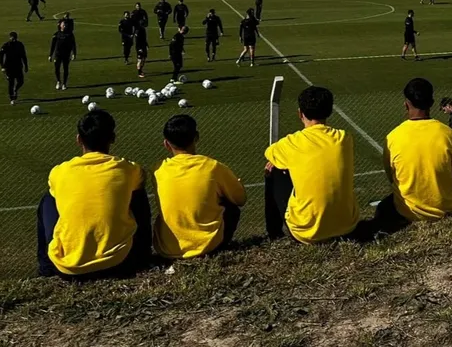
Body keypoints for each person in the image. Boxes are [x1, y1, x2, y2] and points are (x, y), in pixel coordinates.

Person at [37, 110, 152, 279]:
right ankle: (144, 253)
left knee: (48, 200)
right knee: (136, 192)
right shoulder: (130, 169)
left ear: (78, 139)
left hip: (69, 269)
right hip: (120, 263)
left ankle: (46, 269)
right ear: (113, 138)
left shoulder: (59, 172)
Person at [374, 78, 452, 231]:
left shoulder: (393, 137)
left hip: (407, 211)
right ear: (432, 103)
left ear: (406, 104)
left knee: (382, 209)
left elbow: (392, 177)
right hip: (445, 209)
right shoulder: (448, 135)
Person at [263, 86, 360, 243]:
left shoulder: (292, 142)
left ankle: (274, 233)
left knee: (273, 170)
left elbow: (269, 152)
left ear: (300, 113)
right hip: (348, 225)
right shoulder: (344, 138)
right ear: (329, 111)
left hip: (307, 232)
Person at [153, 115, 246, 259]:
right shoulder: (212, 167)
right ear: (196, 137)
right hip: (207, 246)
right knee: (230, 206)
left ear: (166, 144)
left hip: (167, 249)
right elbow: (240, 199)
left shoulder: (158, 170)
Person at [0, 31, 28, 105]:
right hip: (9, 67)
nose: (14, 39)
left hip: (18, 66)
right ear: (10, 37)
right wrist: (2, 66)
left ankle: (16, 89)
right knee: (11, 83)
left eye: (15, 38)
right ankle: (12, 99)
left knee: (21, 81)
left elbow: (23, 56)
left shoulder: (20, 45)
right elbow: (0, 55)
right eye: (12, 38)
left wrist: (26, 66)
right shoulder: (6, 45)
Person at [48, 20, 76, 91]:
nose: (64, 26)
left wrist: (74, 53)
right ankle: (58, 81)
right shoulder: (56, 34)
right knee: (57, 68)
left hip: (66, 54)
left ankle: (64, 84)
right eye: (63, 25)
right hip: (58, 54)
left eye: (65, 25)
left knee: (65, 69)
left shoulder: (70, 34)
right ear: (60, 25)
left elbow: (73, 44)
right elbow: (53, 45)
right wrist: (50, 55)